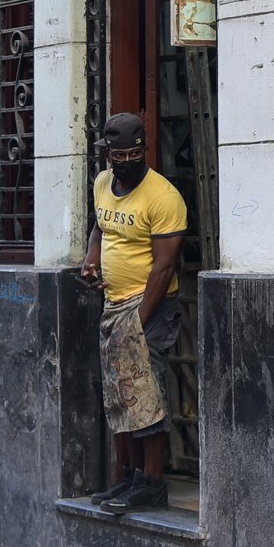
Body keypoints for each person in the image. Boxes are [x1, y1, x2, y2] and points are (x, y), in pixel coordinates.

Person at [77, 112, 187, 515]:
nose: (124, 161)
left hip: (150, 307)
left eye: (132, 153)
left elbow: (165, 266)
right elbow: (100, 227)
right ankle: (130, 476)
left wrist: (140, 321)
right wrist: (91, 260)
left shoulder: (163, 196)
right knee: (120, 395)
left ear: (144, 150)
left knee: (146, 395)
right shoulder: (103, 183)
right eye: (116, 154)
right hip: (113, 304)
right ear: (107, 154)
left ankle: (153, 483)